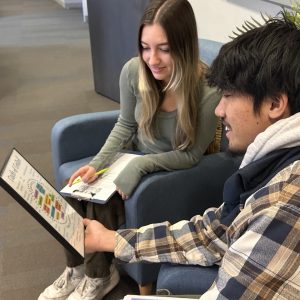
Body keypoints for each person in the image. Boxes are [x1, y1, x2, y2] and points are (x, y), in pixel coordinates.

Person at [82, 13, 300, 299]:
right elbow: (214, 232)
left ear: (274, 103)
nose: (220, 111)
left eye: (229, 96)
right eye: (146, 48)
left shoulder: (285, 204)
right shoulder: (271, 166)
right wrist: (110, 239)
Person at [39, 0, 221, 299]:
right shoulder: (133, 71)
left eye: (164, 48)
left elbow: (191, 155)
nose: (153, 59)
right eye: (145, 47)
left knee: (103, 203)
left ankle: (101, 275)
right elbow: (125, 126)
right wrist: (96, 165)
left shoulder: (208, 90)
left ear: (184, 45)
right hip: (133, 157)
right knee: (73, 191)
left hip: (169, 169)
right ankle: (77, 269)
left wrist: (140, 166)